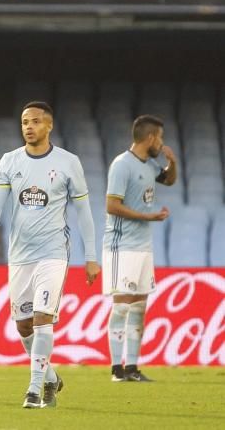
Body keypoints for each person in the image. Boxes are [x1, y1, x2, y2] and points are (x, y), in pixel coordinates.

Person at [0, 101, 99, 409]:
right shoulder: (9, 161)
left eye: (35, 121)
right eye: (24, 122)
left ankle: (34, 389)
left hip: (53, 253)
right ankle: (51, 378)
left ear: (49, 126)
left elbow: (84, 211)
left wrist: (91, 255)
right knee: (22, 326)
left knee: (42, 320)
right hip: (20, 255)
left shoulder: (68, 162)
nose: (29, 127)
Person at [104, 115, 177, 383]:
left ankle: (132, 368)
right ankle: (116, 369)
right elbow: (111, 205)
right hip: (121, 245)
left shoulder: (150, 165)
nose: (161, 142)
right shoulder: (121, 165)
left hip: (143, 246)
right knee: (122, 305)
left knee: (139, 307)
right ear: (150, 138)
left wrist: (173, 163)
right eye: (160, 137)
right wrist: (149, 217)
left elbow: (168, 181)